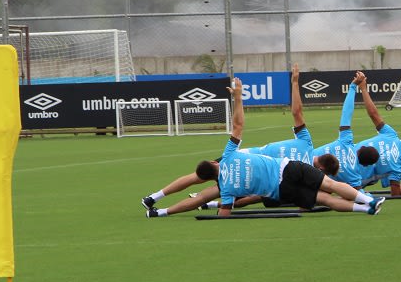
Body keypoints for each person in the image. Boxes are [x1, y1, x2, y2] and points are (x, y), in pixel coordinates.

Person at [141, 64, 340, 216]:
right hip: (248, 169)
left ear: (321, 158)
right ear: (322, 171)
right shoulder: (304, 173)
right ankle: (164, 210)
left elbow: (296, 112)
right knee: (215, 191)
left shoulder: (306, 143)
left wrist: (295, 82)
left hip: (242, 158)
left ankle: (154, 198)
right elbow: (305, 201)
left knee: (197, 177)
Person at [353, 69, 401, 196]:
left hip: (344, 153)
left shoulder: (391, 134)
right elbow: (395, 194)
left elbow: (373, 114)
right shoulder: (397, 169)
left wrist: (363, 89)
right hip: (351, 179)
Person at [311, 71, 378, 189]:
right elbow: (357, 194)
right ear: (365, 165)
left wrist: (353, 86)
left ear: (361, 147)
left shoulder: (346, 140)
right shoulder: (354, 176)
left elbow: (347, 113)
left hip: (301, 156)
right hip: (305, 180)